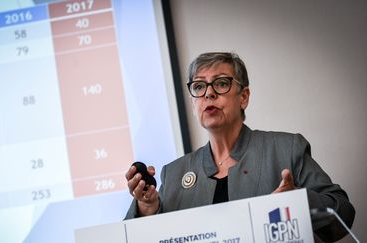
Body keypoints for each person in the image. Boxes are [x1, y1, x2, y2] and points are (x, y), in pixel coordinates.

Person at [124, 52, 355, 242]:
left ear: (243, 97)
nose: (209, 93)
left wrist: (298, 201)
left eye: (221, 83)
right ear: (194, 102)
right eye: (199, 87)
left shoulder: (286, 148)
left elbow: (343, 212)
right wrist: (147, 208)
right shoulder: (174, 174)